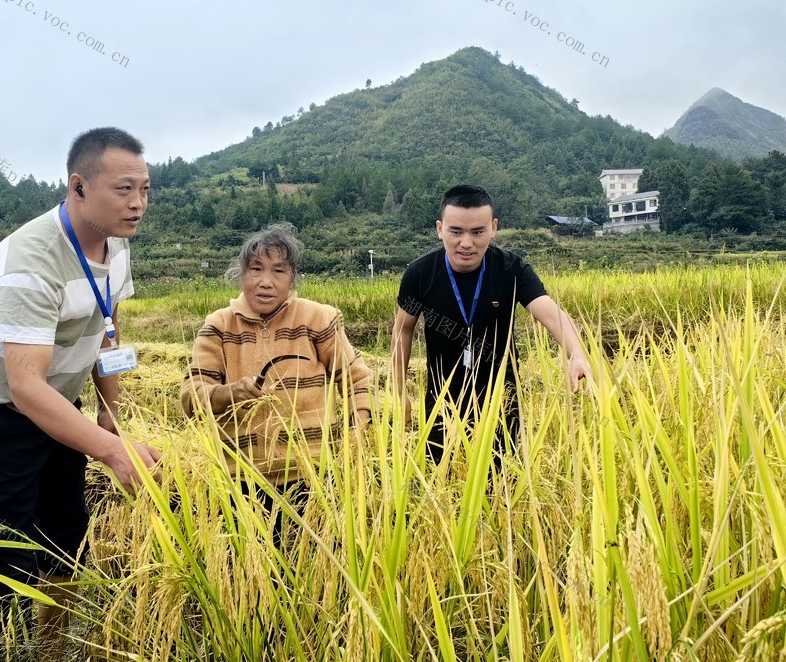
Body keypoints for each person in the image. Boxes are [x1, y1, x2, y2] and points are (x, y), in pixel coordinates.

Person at [0, 127, 160, 650]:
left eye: (145, 189)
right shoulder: (30, 260)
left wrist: (111, 412)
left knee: (67, 535)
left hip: (60, 405)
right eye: (124, 189)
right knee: (6, 552)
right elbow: (24, 387)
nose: (137, 204)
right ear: (78, 187)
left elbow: (108, 326)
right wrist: (113, 452)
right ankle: (1, 649)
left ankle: (54, 647)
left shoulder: (117, 246)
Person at [180, 225, 373, 540]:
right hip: (239, 481)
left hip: (310, 477)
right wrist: (229, 393)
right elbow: (190, 397)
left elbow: (355, 376)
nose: (265, 281)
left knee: (310, 568)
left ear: (292, 277)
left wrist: (356, 431)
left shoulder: (318, 320)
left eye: (278, 270)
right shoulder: (218, 326)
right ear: (242, 274)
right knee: (247, 573)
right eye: (256, 269)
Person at [391, 185, 592, 462]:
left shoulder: (511, 269)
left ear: (493, 227)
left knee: (504, 484)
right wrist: (399, 393)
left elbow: (548, 310)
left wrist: (578, 354)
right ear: (440, 229)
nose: (466, 243)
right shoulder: (419, 274)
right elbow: (403, 331)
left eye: (477, 232)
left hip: (502, 400)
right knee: (442, 486)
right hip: (441, 403)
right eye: (456, 231)